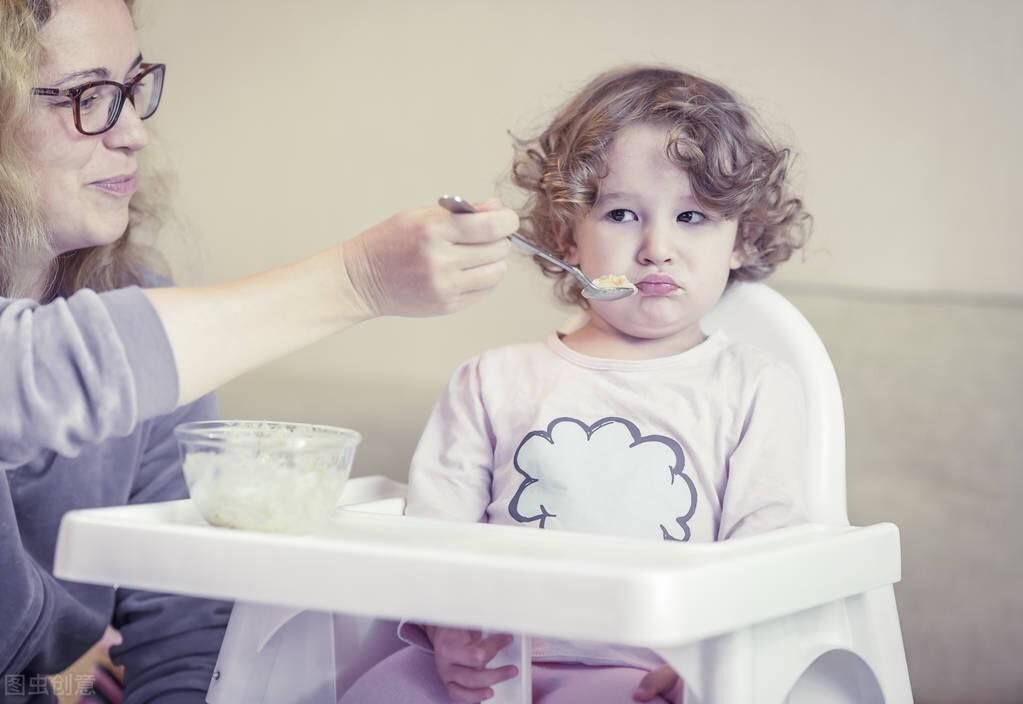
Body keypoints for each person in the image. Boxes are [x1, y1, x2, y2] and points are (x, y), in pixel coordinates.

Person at [0, 0, 518, 701]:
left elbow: (182, 607)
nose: (132, 133)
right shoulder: (104, 338)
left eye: (132, 87)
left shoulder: (138, 291)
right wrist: (356, 279)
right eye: (90, 96)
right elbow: (31, 375)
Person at [339, 65, 812, 704]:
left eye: (694, 217)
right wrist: (450, 632)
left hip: (649, 677)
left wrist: (712, 652)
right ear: (567, 235)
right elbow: (436, 534)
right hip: (492, 668)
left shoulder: (756, 389)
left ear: (742, 238)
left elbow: (769, 552)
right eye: (621, 214)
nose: (656, 248)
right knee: (380, 690)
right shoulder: (492, 382)